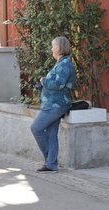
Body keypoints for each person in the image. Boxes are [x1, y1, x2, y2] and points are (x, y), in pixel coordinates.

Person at [30, 36, 76, 173]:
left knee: (36, 128)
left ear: (59, 47)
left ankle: (49, 159)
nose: (51, 48)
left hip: (55, 105)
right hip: (52, 104)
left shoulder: (65, 64)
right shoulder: (61, 63)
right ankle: (51, 164)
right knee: (51, 134)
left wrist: (43, 81)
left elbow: (58, 84)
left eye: (53, 46)